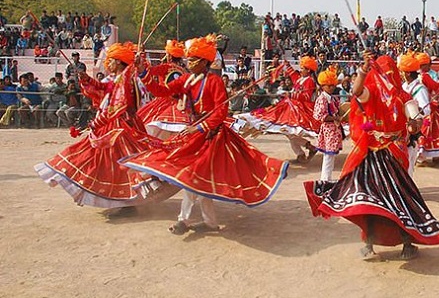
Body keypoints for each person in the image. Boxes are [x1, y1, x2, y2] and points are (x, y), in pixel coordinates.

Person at [122, 34, 289, 234]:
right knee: (198, 179)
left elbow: (221, 112)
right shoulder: (186, 79)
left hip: (212, 137)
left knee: (194, 178)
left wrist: (201, 127)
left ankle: (184, 220)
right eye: (188, 59)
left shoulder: (215, 82)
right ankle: (208, 222)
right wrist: (142, 72)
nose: (188, 62)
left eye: (192, 59)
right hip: (194, 135)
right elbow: (161, 90)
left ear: (204, 62)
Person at [304, 52, 439, 261]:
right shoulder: (372, 93)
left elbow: (416, 122)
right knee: (374, 199)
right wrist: (362, 70)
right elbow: (356, 90)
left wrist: (414, 124)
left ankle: (406, 242)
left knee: (399, 199)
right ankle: (370, 243)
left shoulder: (403, 97)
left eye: (391, 72)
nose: (388, 75)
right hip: (373, 156)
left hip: (394, 156)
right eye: (384, 71)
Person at [35, 42, 159, 209]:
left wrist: (97, 122)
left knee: (117, 163)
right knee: (107, 161)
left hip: (120, 126)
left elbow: (117, 106)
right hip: (115, 124)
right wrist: (87, 80)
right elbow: (103, 90)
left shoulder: (125, 79)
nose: (109, 63)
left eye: (112, 60)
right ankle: (116, 199)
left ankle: (124, 201)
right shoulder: (119, 79)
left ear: (119, 62)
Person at [236, 56, 320, 163]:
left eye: (302, 68)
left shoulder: (310, 81)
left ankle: (305, 150)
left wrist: (290, 94)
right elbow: (294, 76)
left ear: (308, 70)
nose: (300, 69)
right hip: (290, 108)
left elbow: (306, 97)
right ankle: (304, 151)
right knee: (288, 131)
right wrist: (287, 65)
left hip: (299, 110)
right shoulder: (301, 78)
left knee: (289, 131)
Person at [137, 40, 189, 139]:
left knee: (141, 124)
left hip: (162, 102)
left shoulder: (166, 67)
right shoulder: (184, 71)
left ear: (169, 55)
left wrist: (142, 55)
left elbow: (148, 71)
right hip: (180, 104)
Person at [313, 66, 343, 188]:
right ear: (323, 85)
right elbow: (320, 115)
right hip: (328, 130)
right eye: (329, 85)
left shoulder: (332, 98)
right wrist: (335, 118)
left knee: (331, 155)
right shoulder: (322, 99)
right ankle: (325, 179)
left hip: (333, 130)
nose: (331, 88)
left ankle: (327, 177)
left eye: (333, 85)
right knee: (328, 155)